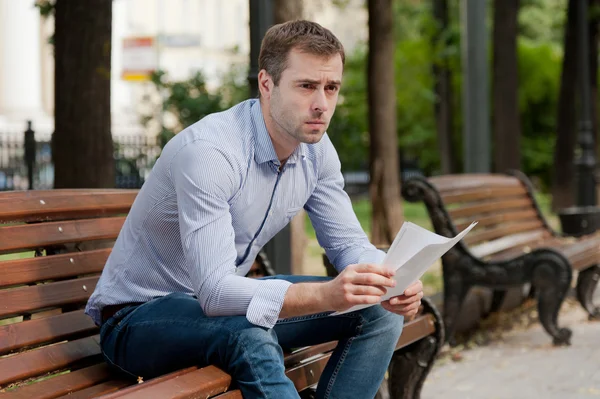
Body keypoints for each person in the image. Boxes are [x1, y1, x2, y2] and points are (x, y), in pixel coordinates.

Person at [86, 20, 424, 399]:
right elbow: (214, 292)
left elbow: (349, 245)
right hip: (139, 320)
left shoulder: (317, 150)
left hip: (226, 307)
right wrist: (330, 295)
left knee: (377, 312)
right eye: (307, 86)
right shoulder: (211, 154)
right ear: (267, 84)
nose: (322, 104)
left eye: (331, 88)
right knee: (249, 336)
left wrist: (387, 279)